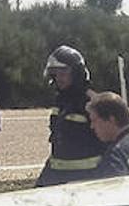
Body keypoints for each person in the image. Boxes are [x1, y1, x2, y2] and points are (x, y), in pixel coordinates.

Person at [38, 45, 106, 186]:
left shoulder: (93, 102)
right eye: (55, 74)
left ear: (77, 73)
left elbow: (110, 142)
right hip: (56, 175)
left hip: (86, 178)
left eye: (63, 73)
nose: (58, 78)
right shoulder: (61, 101)